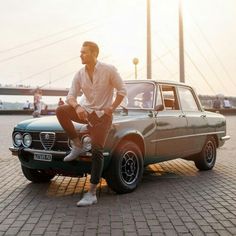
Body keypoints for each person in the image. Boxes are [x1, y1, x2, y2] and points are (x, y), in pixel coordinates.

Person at [56, 41, 127, 207]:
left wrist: (111, 108)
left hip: (103, 116)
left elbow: (122, 90)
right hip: (86, 112)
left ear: (95, 54)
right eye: (81, 52)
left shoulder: (109, 69)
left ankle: (92, 193)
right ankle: (77, 144)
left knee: (96, 150)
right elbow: (70, 96)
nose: (80, 55)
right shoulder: (79, 74)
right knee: (61, 111)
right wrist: (77, 106)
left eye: (84, 52)